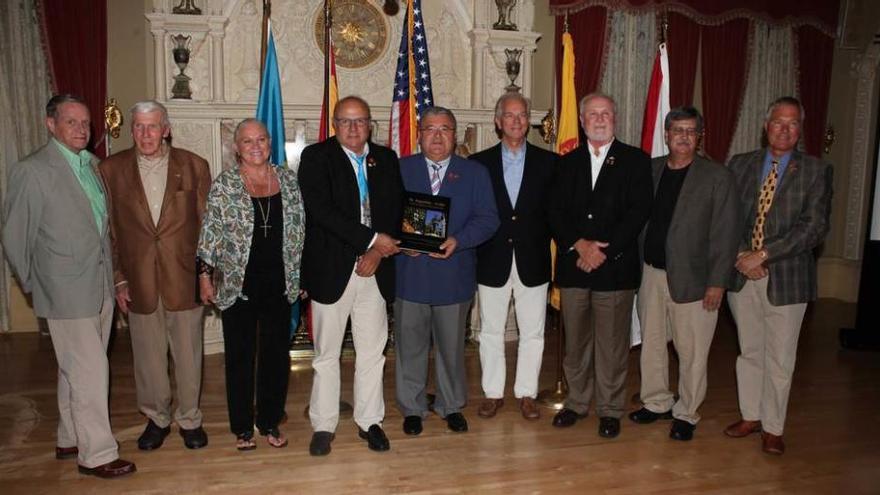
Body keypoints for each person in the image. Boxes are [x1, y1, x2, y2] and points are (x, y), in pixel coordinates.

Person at [2, 94, 136, 478]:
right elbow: (14, 235)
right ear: (50, 124)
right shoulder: (32, 170)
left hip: (98, 285)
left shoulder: (94, 166)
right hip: (64, 290)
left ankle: (69, 437)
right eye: (71, 122)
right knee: (92, 371)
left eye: (85, 123)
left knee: (73, 370)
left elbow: (102, 231)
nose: (81, 130)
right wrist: (35, 285)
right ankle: (96, 455)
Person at [99, 100, 210, 451]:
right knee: (147, 358)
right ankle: (157, 418)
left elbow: (208, 227)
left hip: (184, 276)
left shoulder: (194, 166)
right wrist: (118, 278)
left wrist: (207, 275)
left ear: (166, 129)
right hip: (138, 278)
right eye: (139, 127)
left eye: (152, 127)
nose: (145, 134)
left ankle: (190, 418)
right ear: (132, 130)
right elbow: (110, 231)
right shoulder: (111, 170)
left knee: (189, 354)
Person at [724, 96, 833, 455]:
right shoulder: (739, 165)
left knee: (780, 357)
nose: (784, 129)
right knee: (750, 350)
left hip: (787, 277)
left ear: (800, 130)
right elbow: (727, 217)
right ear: (765, 126)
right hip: (743, 273)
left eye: (792, 124)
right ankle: (751, 415)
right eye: (778, 122)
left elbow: (813, 228)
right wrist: (743, 254)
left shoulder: (816, 171)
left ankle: (773, 427)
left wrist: (764, 254)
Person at [298, 96, 403, 456]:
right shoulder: (316, 158)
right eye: (345, 121)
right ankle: (324, 425)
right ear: (334, 124)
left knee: (373, 351)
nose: (353, 128)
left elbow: (395, 210)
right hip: (331, 270)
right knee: (326, 354)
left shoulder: (386, 159)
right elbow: (321, 212)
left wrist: (375, 252)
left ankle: (369, 420)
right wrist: (372, 240)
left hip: (375, 271)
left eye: (360, 121)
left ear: (371, 124)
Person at [627, 107, 740, 441]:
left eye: (691, 131)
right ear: (666, 134)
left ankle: (687, 412)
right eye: (677, 130)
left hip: (696, 280)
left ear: (699, 136)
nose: (683, 137)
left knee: (692, 351)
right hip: (650, 274)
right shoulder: (651, 170)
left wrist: (717, 282)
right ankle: (657, 401)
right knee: (652, 345)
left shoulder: (717, 177)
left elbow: (726, 233)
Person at [548, 93, 652, 438]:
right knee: (576, 342)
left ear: (615, 118)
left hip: (615, 268)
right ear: (581, 119)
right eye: (592, 114)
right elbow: (554, 212)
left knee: (611, 345)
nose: (599, 118)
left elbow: (638, 213)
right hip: (574, 266)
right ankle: (577, 403)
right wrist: (579, 244)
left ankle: (609, 409)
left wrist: (602, 251)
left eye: (605, 113)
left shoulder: (636, 161)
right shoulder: (565, 163)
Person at [197, 118, 305, 451]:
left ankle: (269, 421)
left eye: (262, 139)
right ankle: (242, 427)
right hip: (237, 283)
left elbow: (302, 230)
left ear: (270, 144)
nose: (256, 146)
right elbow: (210, 234)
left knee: (275, 357)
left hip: (280, 283)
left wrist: (301, 275)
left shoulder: (288, 180)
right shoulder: (225, 184)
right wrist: (204, 276)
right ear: (236, 147)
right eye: (248, 141)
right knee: (240, 357)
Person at [395, 106, 500, 436]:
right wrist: (400, 241)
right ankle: (412, 407)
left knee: (452, 348)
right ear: (419, 134)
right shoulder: (399, 169)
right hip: (410, 273)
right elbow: (381, 214)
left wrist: (459, 240)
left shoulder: (475, 173)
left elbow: (488, 219)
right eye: (430, 129)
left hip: (454, 273)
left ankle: (450, 404)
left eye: (445, 129)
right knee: (409, 346)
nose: (437, 136)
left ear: (455, 136)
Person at [470, 92, 557, 421]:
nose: (517, 120)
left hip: (533, 260)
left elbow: (555, 214)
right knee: (490, 331)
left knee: (532, 332)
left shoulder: (550, 163)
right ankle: (493, 393)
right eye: (510, 115)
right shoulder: (478, 164)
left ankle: (527, 394)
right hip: (492, 259)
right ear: (497, 121)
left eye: (522, 115)